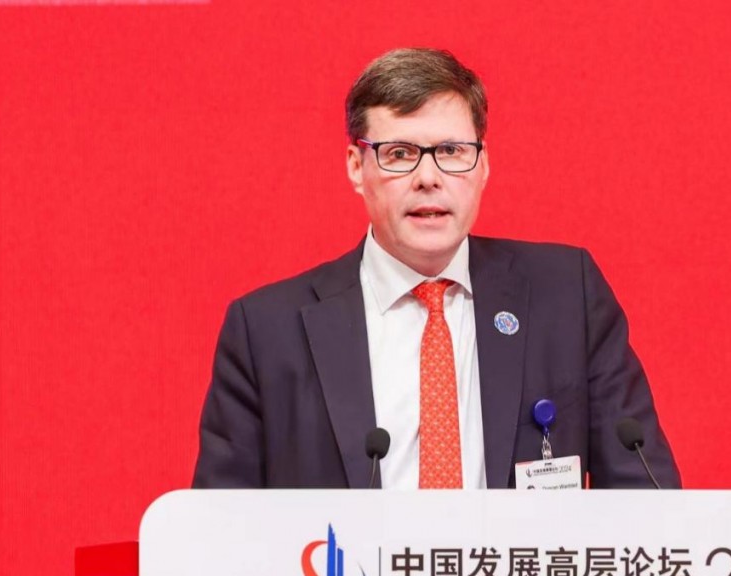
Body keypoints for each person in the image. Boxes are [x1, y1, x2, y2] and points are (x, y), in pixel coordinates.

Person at [192, 48, 679, 490]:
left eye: (451, 152)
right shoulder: (266, 332)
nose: (428, 178)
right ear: (356, 167)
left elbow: (645, 497)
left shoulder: (566, 296)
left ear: (483, 165)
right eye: (400, 154)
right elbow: (220, 531)